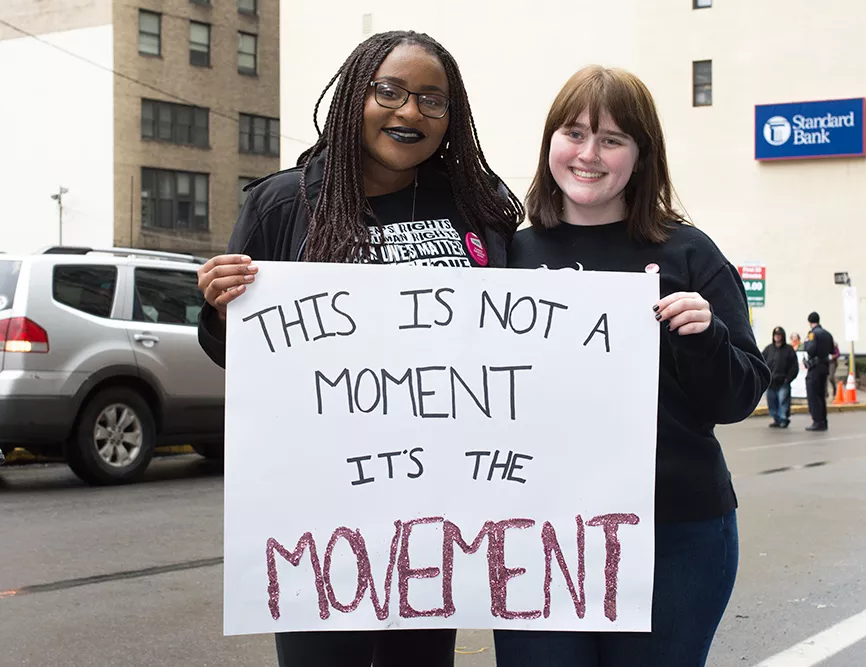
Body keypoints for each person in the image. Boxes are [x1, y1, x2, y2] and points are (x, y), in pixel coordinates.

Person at [195, 30, 524, 667]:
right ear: (355, 96)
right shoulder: (285, 203)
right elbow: (238, 351)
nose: (409, 113)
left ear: (452, 119)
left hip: (439, 513)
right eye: (390, 91)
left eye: (433, 100)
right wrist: (218, 307)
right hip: (318, 513)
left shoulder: (475, 209)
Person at [493, 65, 769, 667]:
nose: (589, 154)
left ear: (641, 158)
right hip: (534, 535)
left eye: (613, 140)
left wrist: (706, 335)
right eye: (574, 133)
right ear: (549, 144)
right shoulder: (508, 253)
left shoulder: (688, 252)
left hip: (674, 536)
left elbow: (739, 398)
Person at [804, 311, 835, 432]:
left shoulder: (812, 334)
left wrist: (806, 343)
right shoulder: (827, 334)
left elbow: (810, 350)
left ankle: (817, 421)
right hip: (825, 366)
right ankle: (823, 420)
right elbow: (832, 350)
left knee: (813, 395)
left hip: (815, 368)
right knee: (822, 395)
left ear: (809, 322)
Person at [762, 326, 798, 428]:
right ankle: (776, 418)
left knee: (783, 401)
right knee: (772, 401)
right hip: (771, 382)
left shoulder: (789, 349)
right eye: (776, 335)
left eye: (779, 335)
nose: (777, 337)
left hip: (783, 381)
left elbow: (794, 367)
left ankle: (783, 419)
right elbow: (761, 361)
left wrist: (788, 379)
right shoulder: (769, 349)